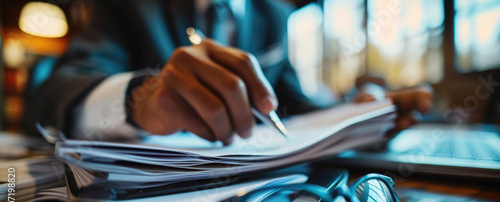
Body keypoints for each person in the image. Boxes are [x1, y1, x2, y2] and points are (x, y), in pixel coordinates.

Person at [23, 0, 432, 145]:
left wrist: (355, 115)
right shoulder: (129, 5)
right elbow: (52, 94)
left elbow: (289, 101)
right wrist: (140, 100)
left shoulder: (273, 13)